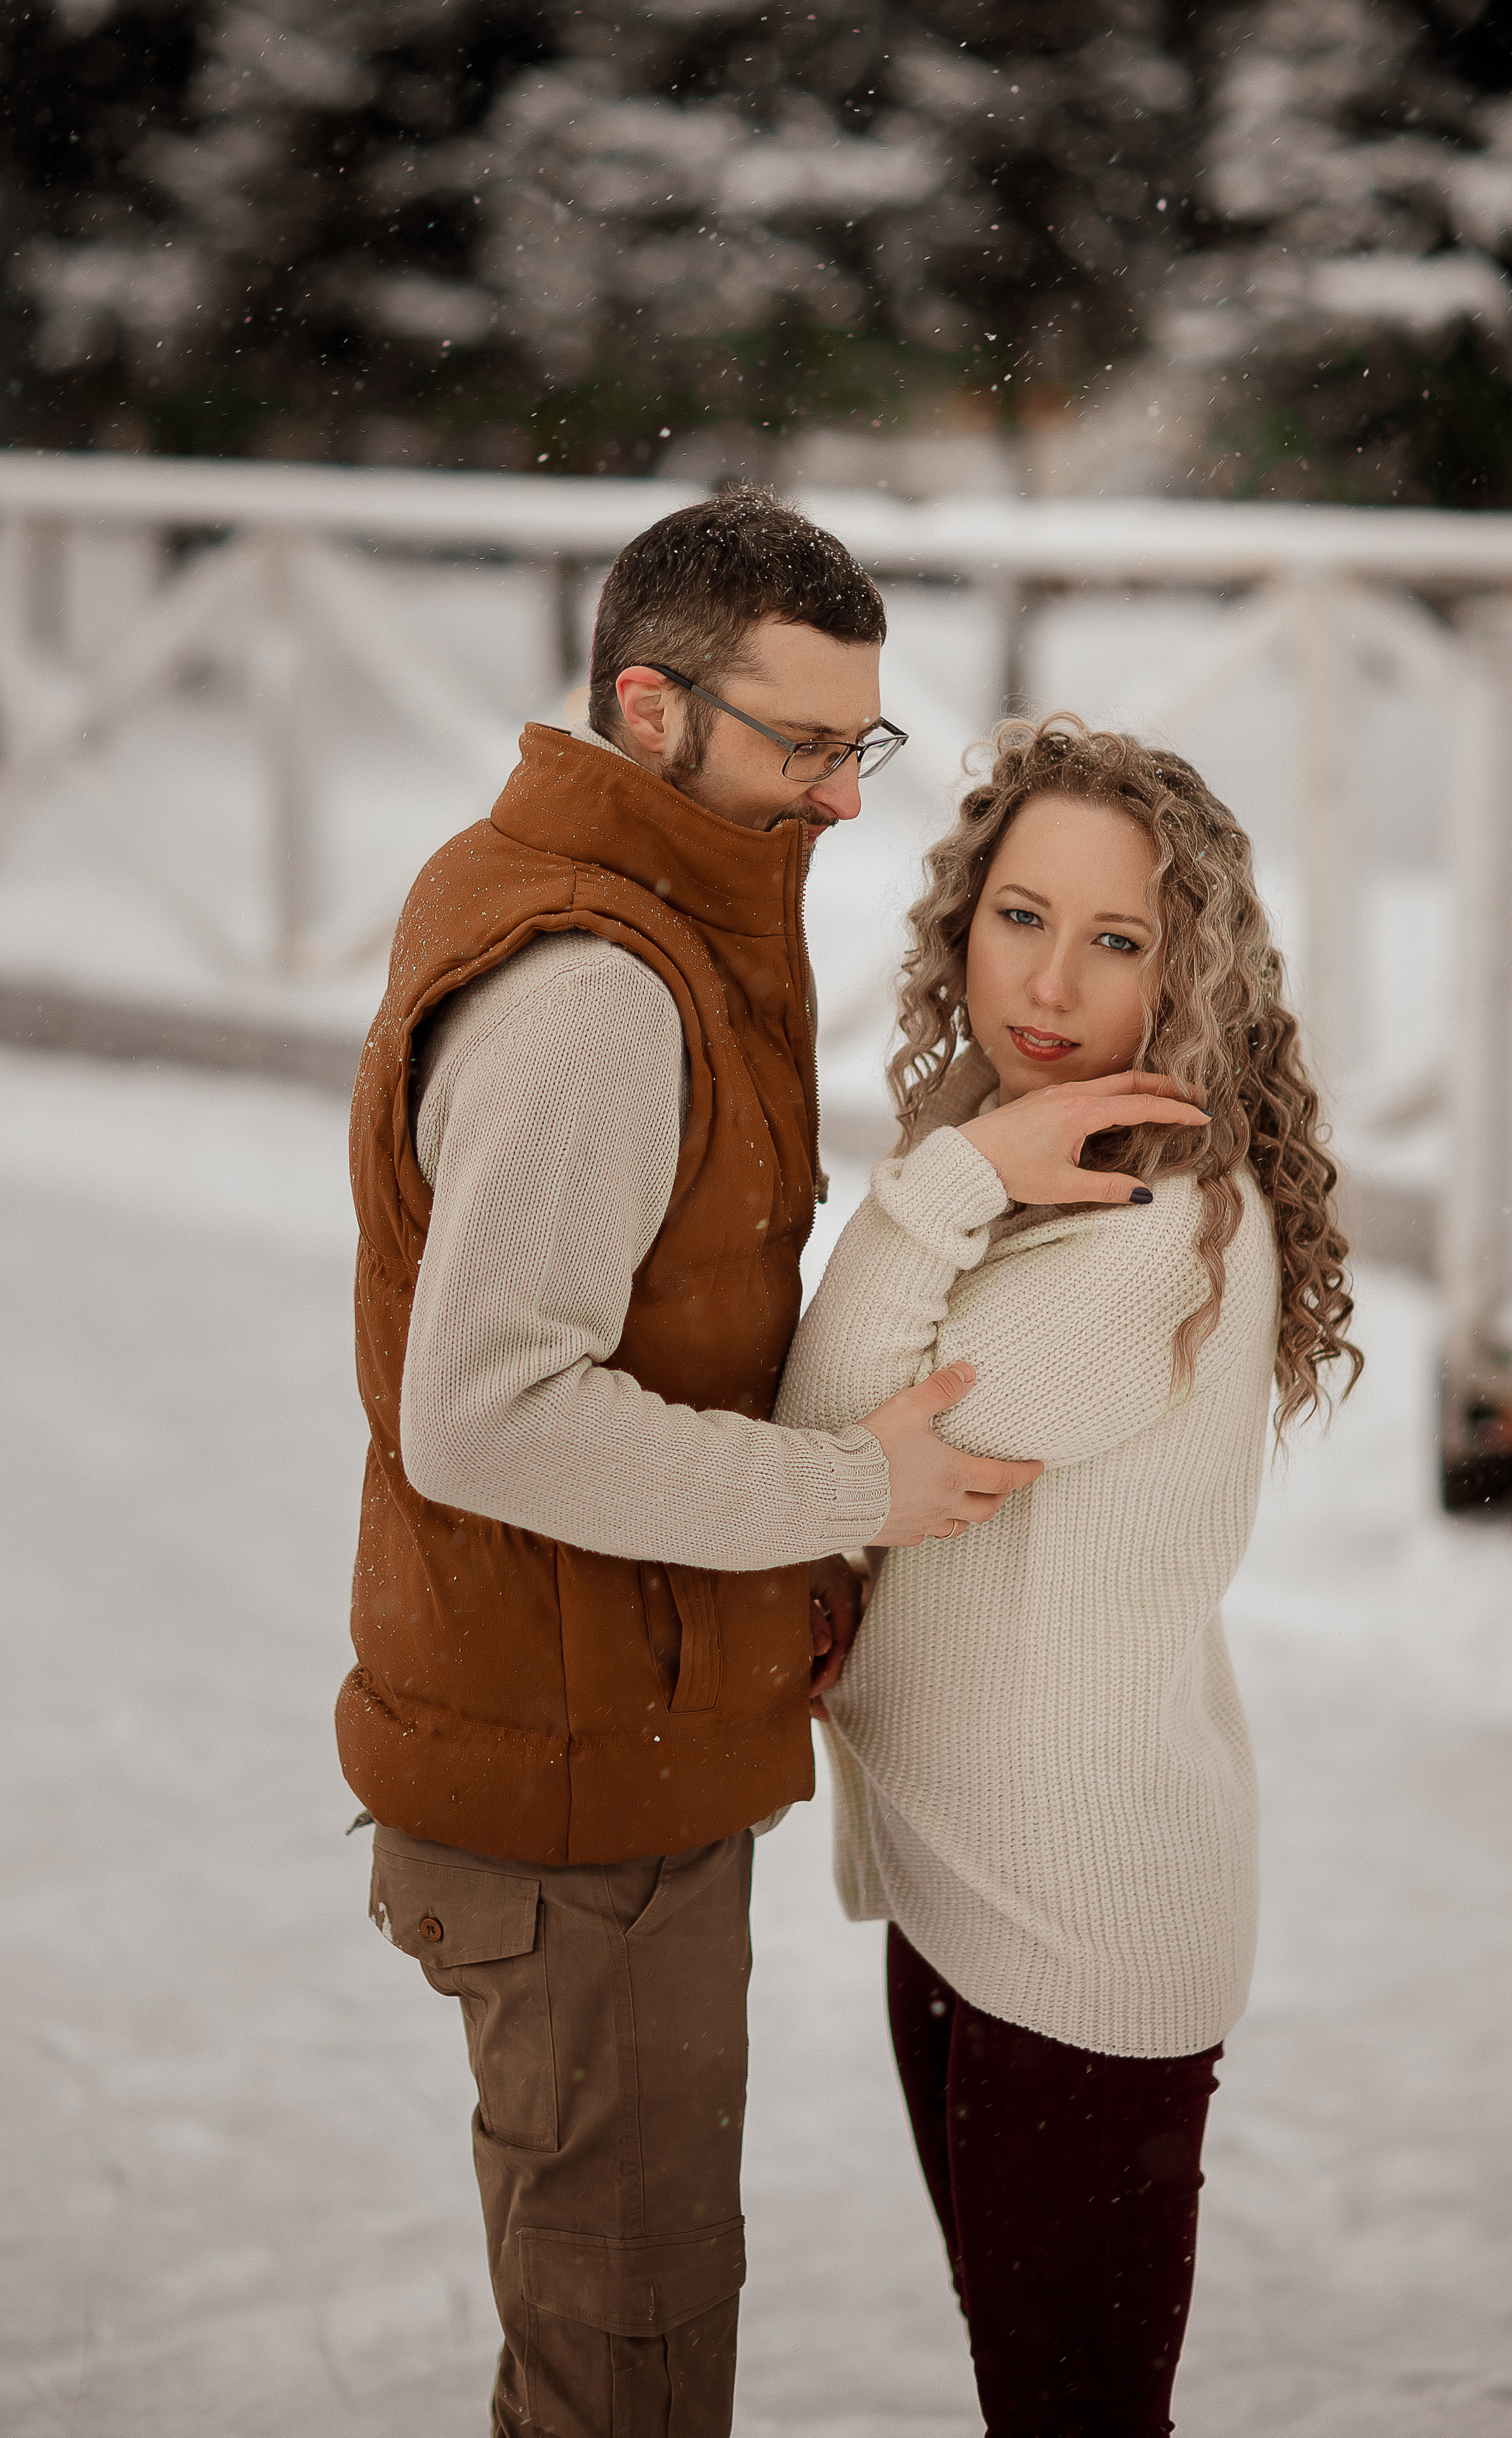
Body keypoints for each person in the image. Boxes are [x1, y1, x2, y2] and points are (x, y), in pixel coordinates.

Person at [336, 485, 1042, 2438]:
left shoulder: (640, 909)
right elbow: (488, 1408)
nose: (840, 797)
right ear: (650, 710)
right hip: (575, 1803)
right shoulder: (595, 990)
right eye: (801, 745)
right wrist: (848, 1495)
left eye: (861, 743)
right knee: (629, 2364)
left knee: (620, 2327)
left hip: (600, 1734)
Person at [774, 714, 1362, 2437]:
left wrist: (937, 1187)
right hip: (976, 1894)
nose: (1052, 982)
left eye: (1118, 942)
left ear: (1190, 977)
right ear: (960, 915)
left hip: (1079, 1934)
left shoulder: (1154, 1235)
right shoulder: (1054, 1155)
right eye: (1020, 916)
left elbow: (826, 1444)